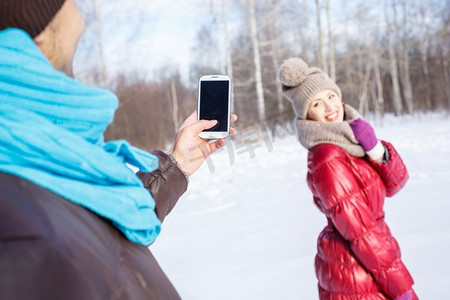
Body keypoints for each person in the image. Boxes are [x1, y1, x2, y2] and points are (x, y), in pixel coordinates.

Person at [0, 0, 236, 299]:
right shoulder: (17, 231)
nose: (78, 14)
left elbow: (101, 226)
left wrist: (178, 163)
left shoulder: (42, 152)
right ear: (38, 24)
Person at [278, 58, 417, 300]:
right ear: (307, 115)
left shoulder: (352, 141)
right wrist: (400, 287)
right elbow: (360, 232)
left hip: (369, 263)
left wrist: (376, 150)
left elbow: (395, 184)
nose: (330, 107)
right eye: (317, 104)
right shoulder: (327, 157)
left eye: (331, 96)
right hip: (355, 272)